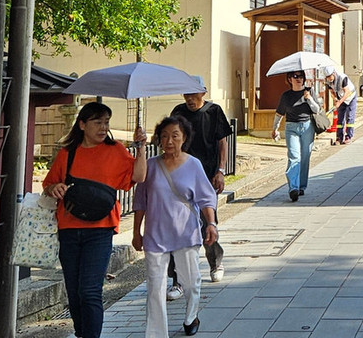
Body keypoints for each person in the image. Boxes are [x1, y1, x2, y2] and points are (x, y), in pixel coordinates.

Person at [43, 102, 148, 338]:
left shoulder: (116, 150)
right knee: (75, 293)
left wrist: (140, 147)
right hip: (69, 230)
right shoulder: (67, 154)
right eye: (97, 122)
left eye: (106, 122)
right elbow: (48, 185)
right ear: (82, 124)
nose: (103, 127)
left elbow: (139, 176)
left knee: (90, 291)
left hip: (100, 230)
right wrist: (55, 188)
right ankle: (83, 333)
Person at [132, 116, 218, 338]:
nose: (169, 141)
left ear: (184, 138)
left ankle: (191, 316)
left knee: (190, 283)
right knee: (155, 287)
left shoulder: (193, 164)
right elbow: (140, 202)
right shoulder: (150, 166)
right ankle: (156, 333)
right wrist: (136, 232)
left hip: (186, 233)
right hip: (155, 234)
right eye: (164, 136)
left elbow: (206, 199)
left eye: (174, 136)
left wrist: (211, 223)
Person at [168, 77, 232, 293]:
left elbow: (222, 143)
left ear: (203, 92)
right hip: (181, 177)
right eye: (186, 94)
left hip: (206, 176)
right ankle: (176, 279)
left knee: (207, 222)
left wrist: (220, 171)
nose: (190, 98)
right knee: (177, 226)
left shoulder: (213, 111)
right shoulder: (178, 112)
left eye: (194, 94)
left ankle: (215, 263)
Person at [271, 70, 321, 201]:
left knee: (305, 157)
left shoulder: (309, 91)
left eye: (301, 76)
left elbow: (317, 110)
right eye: (295, 76)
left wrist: (309, 99)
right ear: (289, 79)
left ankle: (301, 186)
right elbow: (279, 114)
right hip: (291, 128)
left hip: (307, 127)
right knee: (294, 156)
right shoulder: (286, 96)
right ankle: (293, 187)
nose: (298, 79)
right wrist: (275, 128)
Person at [323, 66, 357, 144]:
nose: (329, 78)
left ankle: (349, 136)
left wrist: (339, 102)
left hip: (350, 97)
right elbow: (332, 92)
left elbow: (347, 92)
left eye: (330, 76)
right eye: (327, 77)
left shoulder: (342, 77)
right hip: (340, 98)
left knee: (350, 116)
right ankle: (339, 137)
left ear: (334, 73)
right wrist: (335, 99)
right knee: (340, 118)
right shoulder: (328, 81)